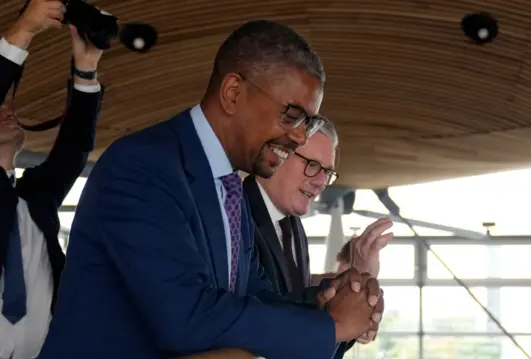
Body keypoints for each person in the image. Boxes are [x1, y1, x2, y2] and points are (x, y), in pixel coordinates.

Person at [37, 19, 382, 359]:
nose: (300, 137)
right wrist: (332, 326)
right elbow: (185, 317)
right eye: (292, 115)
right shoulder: (143, 166)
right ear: (233, 93)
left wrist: (331, 300)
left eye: (310, 123)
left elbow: (254, 297)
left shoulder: (229, 186)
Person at [0, 1, 105, 358]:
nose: (7, 111)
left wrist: (87, 67)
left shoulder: (34, 199)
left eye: (8, 108)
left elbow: (75, 147)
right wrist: (24, 30)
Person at [243, 120, 392, 357]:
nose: (321, 182)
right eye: (312, 165)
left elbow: (297, 320)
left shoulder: (293, 227)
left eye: (328, 172)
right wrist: (341, 318)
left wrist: (356, 309)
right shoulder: (236, 217)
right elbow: (254, 319)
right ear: (277, 155)